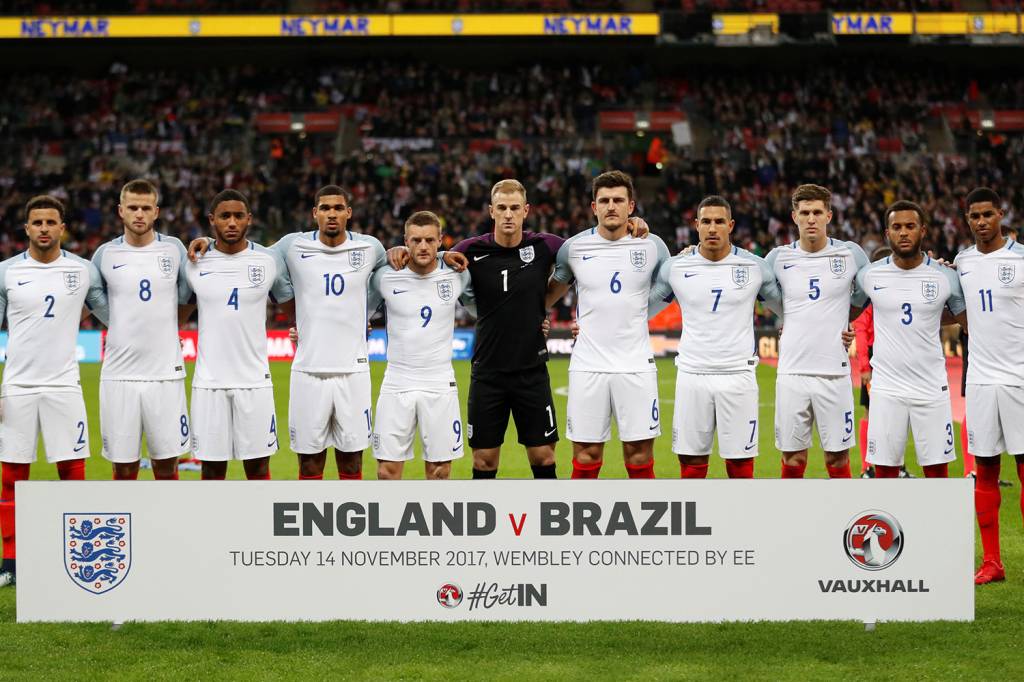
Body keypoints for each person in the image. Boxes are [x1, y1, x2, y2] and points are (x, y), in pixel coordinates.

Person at [0, 195, 108, 587]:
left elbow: (115, 315)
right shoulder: (6, 272)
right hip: (18, 386)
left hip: (64, 385)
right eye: (36, 222)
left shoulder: (82, 271)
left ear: (63, 228)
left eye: (51, 222)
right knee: (12, 477)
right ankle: (10, 561)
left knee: (71, 472)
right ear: (26, 229)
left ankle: (77, 554)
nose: (44, 228)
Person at [546, 171, 670, 479]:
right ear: (593, 206)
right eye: (604, 201)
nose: (611, 206)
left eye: (618, 200)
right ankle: (581, 526)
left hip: (636, 365)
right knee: (586, 454)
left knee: (640, 455)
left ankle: (645, 525)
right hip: (588, 366)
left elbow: (670, 289)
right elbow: (549, 294)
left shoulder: (653, 245)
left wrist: (640, 313)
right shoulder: (573, 248)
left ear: (631, 206)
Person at [650, 195, 781, 479]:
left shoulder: (755, 268)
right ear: (696, 225)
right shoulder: (676, 268)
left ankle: (741, 522)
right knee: (692, 464)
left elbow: (787, 309)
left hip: (738, 375)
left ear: (731, 225)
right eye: (706, 222)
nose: (712, 228)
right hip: (692, 374)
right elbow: (642, 310)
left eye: (719, 221)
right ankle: (700, 522)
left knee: (740, 465)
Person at [183, 190, 290, 481]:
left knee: (257, 469)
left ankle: (258, 527)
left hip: (254, 382)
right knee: (212, 469)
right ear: (212, 220)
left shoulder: (268, 260)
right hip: (209, 384)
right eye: (224, 216)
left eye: (238, 216)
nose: (232, 222)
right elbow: (177, 316)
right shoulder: (193, 261)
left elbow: (294, 308)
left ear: (249, 220)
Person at [91, 179, 193, 481]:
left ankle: (169, 526)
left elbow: (189, 294)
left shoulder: (174, 249)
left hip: (165, 374)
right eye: (132, 207)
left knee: (167, 465)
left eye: (145, 208)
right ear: (120, 211)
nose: (139, 214)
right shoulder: (104, 254)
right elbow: (90, 297)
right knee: (123, 468)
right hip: (118, 376)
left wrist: (172, 323)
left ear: (156, 211)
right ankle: (128, 526)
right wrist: (119, 321)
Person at [855, 200, 966, 478]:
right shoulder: (870, 275)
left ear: (923, 231)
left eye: (910, 226)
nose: (903, 232)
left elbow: (968, 319)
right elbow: (844, 310)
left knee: (938, 472)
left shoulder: (944, 277)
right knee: (884, 472)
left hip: (930, 387)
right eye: (897, 227)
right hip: (887, 388)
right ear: (887, 233)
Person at [765, 184, 869, 479]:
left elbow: (872, 290)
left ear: (829, 216)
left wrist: (847, 320)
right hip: (792, 373)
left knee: (837, 458)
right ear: (794, 216)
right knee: (793, 458)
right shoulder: (778, 258)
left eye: (817, 212)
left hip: (834, 374)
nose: (811, 218)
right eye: (805, 213)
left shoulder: (851, 255)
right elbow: (758, 291)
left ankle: (843, 522)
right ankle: (793, 524)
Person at [367, 211, 472, 479]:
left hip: (439, 381)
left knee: (439, 472)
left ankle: (433, 522)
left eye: (429, 240)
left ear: (440, 241)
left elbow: (486, 309)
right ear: (405, 241)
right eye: (415, 240)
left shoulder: (458, 275)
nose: (422, 246)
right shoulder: (384, 277)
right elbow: (353, 308)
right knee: (387, 472)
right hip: (397, 380)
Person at [954, 187, 1024, 585]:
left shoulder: (1020, 259)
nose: (981, 222)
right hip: (980, 380)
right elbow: (956, 311)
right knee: (985, 468)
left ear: (1001, 213)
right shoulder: (961, 262)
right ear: (967, 220)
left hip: (1019, 379)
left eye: (988, 214)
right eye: (974, 216)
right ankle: (993, 562)